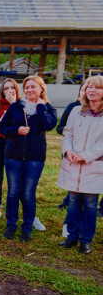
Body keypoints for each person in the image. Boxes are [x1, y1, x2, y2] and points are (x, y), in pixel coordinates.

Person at [0, 76, 57, 242]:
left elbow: (49, 125)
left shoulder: (47, 108)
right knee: (13, 191)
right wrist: (17, 129)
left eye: (33, 87)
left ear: (41, 89)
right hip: (13, 156)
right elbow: (2, 128)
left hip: (35, 157)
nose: (30, 90)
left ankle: (27, 227)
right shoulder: (16, 107)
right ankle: (11, 225)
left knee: (28, 193)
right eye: (27, 87)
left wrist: (40, 107)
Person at [57, 75, 103, 254]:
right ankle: (71, 236)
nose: (92, 90)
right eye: (89, 87)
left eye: (97, 88)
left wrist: (84, 156)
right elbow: (67, 133)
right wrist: (68, 150)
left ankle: (86, 240)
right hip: (73, 163)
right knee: (74, 202)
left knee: (91, 204)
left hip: (93, 165)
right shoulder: (76, 111)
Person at [55, 82, 94, 236]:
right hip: (72, 155)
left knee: (89, 201)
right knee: (74, 197)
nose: (87, 92)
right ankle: (69, 228)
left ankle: (85, 236)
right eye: (85, 89)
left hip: (91, 159)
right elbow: (62, 128)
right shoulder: (73, 108)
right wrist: (69, 148)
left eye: (91, 89)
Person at [0, 78, 21, 220]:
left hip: (12, 143)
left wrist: (14, 104)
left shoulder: (21, 105)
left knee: (14, 179)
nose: (9, 91)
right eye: (5, 88)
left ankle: (16, 211)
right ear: (2, 91)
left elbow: (23, 123)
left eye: (11, 88)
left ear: (16, 90)